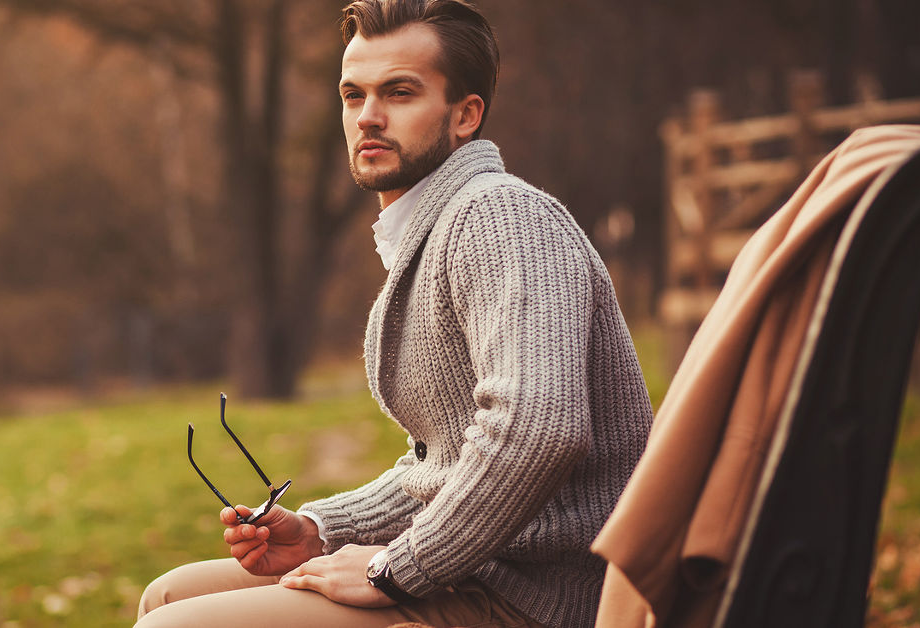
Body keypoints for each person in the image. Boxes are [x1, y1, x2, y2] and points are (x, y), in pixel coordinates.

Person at [137, 1, 652, 626]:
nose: (369, 118)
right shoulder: (433, 230)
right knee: (169, 595)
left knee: (176, 626)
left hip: (541, 597)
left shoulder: (501, 219)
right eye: (353, 96)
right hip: (477, 568)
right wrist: (320, 530)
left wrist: (398, 569)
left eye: (399, 93)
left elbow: (538, 430)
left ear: (466, 116)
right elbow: (446, 461)